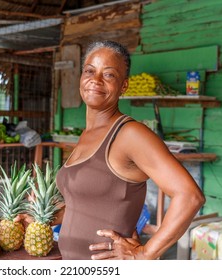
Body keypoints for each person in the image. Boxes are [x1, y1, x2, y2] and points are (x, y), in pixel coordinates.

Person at [52, 40, 205, 260]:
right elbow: (88, 204)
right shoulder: (87, 135)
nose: (95, 80)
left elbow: (190, 196)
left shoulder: (129, 134)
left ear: (124, 85)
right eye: (89, 71)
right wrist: (52, 216)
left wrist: (144, 254)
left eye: (109, 75)